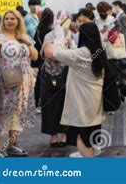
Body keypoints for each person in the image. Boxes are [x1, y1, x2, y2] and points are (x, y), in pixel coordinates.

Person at [53, 23, 105, 158]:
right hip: (95, 101)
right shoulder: (100, 51)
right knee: (91, 134)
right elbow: (82, 60)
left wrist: (59, 34)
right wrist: (72, 46)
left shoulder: (83, 53)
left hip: (81, 102)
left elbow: (57, 53)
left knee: (81, 136)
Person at [0, 10, 38, 157]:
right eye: (6, 19)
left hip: (23, 80)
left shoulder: (23, 37)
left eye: (12, 18)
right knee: (2, 114)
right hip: (6, 81)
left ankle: (11, 145)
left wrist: (26, 40)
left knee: (17, 114)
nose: (9, 21)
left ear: (18, 20)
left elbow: (35, 55)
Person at [39, 18, 68, 148]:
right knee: (50, 106)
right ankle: (54, 136)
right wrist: (68, 53)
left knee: (65, 105)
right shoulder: (50, 36)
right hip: (49, 76)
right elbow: (50, 54)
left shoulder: (70, 35)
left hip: (67, 75)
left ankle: (65, 135)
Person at [32, 8, 55, 113]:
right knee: (48, 81)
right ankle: (45, 104)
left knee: (38, 82)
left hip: (40, 59)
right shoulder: (51, 31)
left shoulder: (38, 29)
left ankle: (36, 104)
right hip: (48, 59)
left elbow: (36, 43)